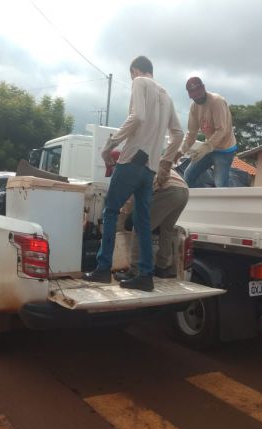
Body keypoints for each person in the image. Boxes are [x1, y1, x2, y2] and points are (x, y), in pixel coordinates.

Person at [82, 55, 183, 291]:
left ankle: (102, 269)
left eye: (131, 75)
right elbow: (178, 133)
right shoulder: (166, 95)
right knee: (143, 221)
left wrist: (111, 143)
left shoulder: (140, 83)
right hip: (150, 167)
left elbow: (137, 116)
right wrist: (165, 160)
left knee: (110, 211)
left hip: (131, 161)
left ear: (135, 71)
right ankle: (145, 276)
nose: (132, 80)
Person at [115, 169, 189, 281]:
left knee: (139, 228)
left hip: (169, 190)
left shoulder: (131, 168)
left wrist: (123, 211)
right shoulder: (150, 158)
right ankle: (162, 268)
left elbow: (133, 197)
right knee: (166, 229)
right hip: (184, 190)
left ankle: (135, 271)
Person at [178, 77, 237, 188]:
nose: (196, 97)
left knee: (220, 183)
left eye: (198, 93)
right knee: (188, 175)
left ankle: (222, 204)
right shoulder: (194, 107)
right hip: (209, 148)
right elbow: (191, 133)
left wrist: (206, 147)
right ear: (189, 95)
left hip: (225, 149)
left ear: (203, 88)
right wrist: (181, 151)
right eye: (193, 95)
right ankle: (197, 202)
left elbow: (222, 130)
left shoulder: (216, 101)